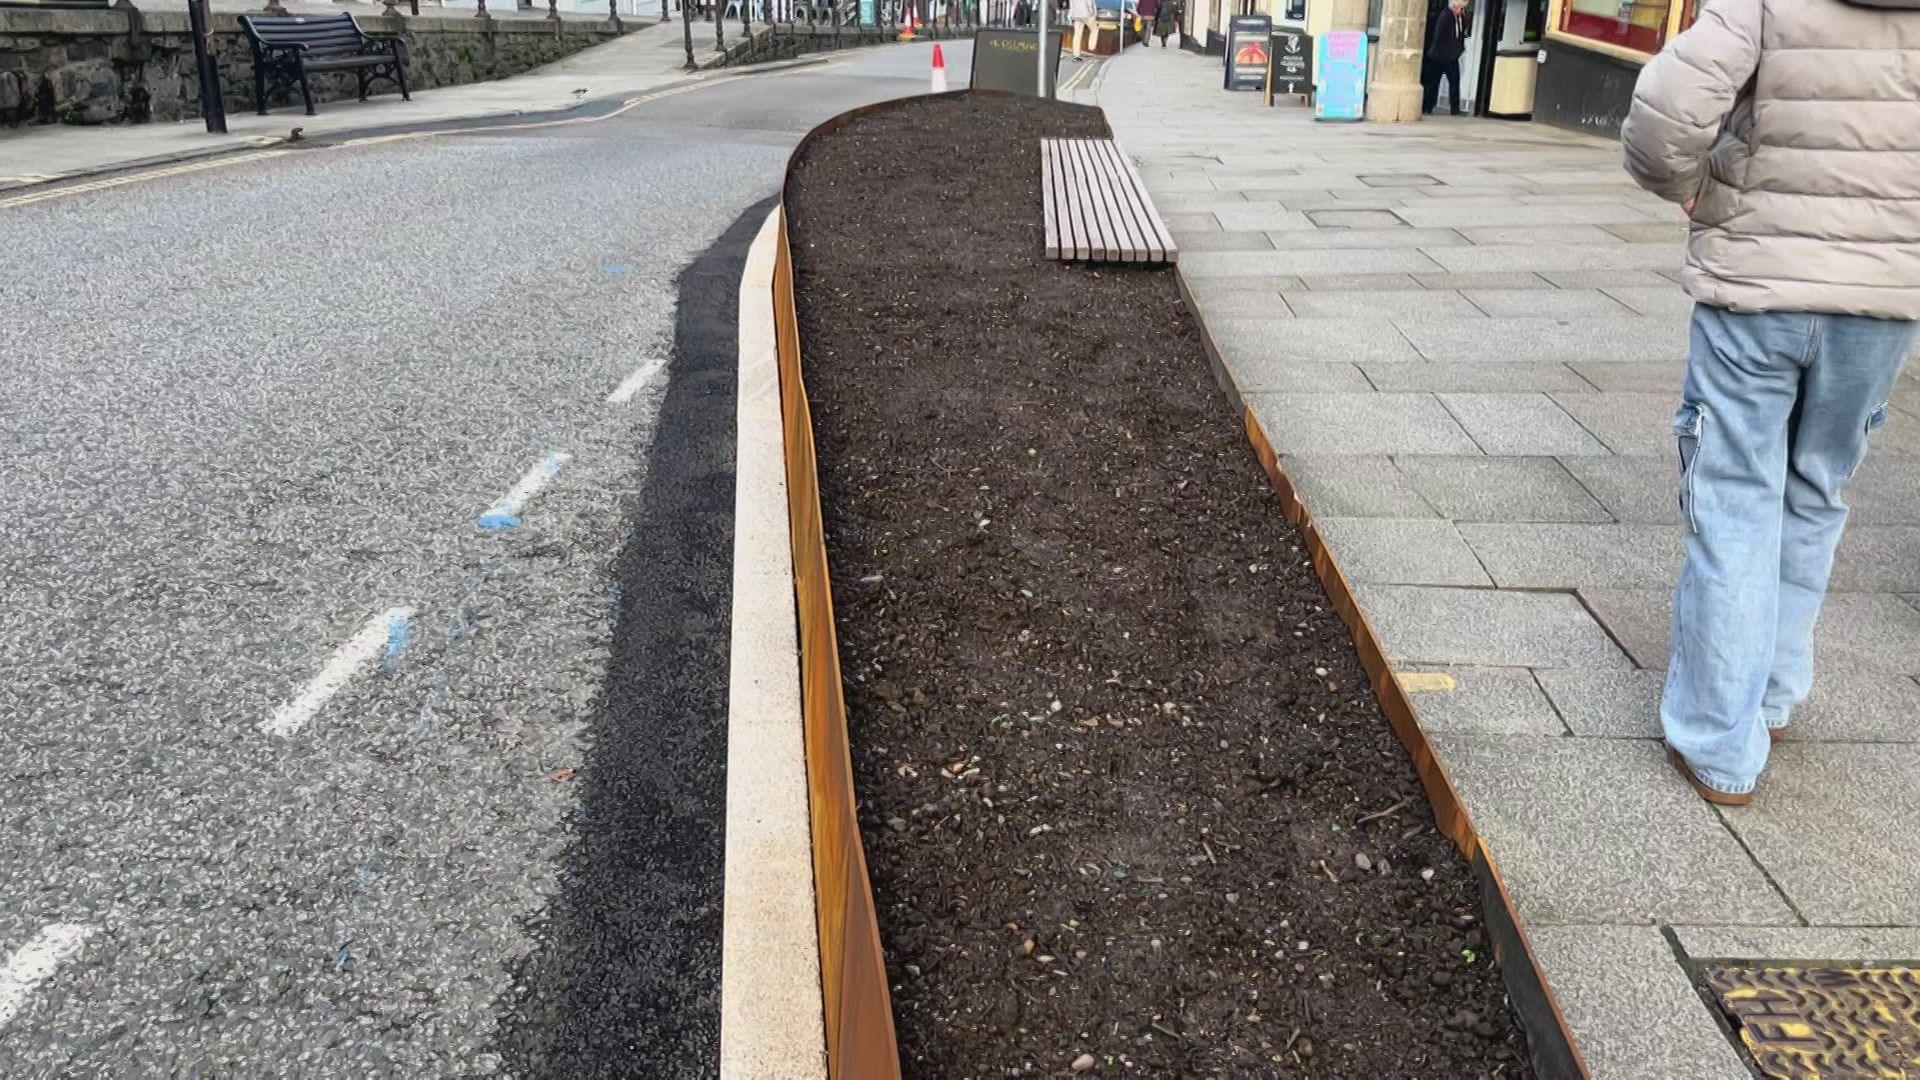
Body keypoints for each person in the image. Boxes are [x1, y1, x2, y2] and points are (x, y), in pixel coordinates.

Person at [1621, 0, 1920, 805]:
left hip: (1757, 285)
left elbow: (1666, 117)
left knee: (1734, 498)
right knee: (1816, 491)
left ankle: (1720, 741)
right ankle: (1774, 693)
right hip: (1884, 303)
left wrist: (1692, 188)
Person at [1420, 0, 1468, 115]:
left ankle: (1455, 110)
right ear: (1454, 6)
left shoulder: (1462, 18)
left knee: (1454, 82)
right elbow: (1439, 36)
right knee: (1433, 83)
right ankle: (1427, 107)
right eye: (1460, 8)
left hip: (1452, 56)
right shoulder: (1445, 16)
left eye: (1463, 8)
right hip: (1439, 56)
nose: (1461, 10)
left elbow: (1460, 35)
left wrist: (1460, 49)